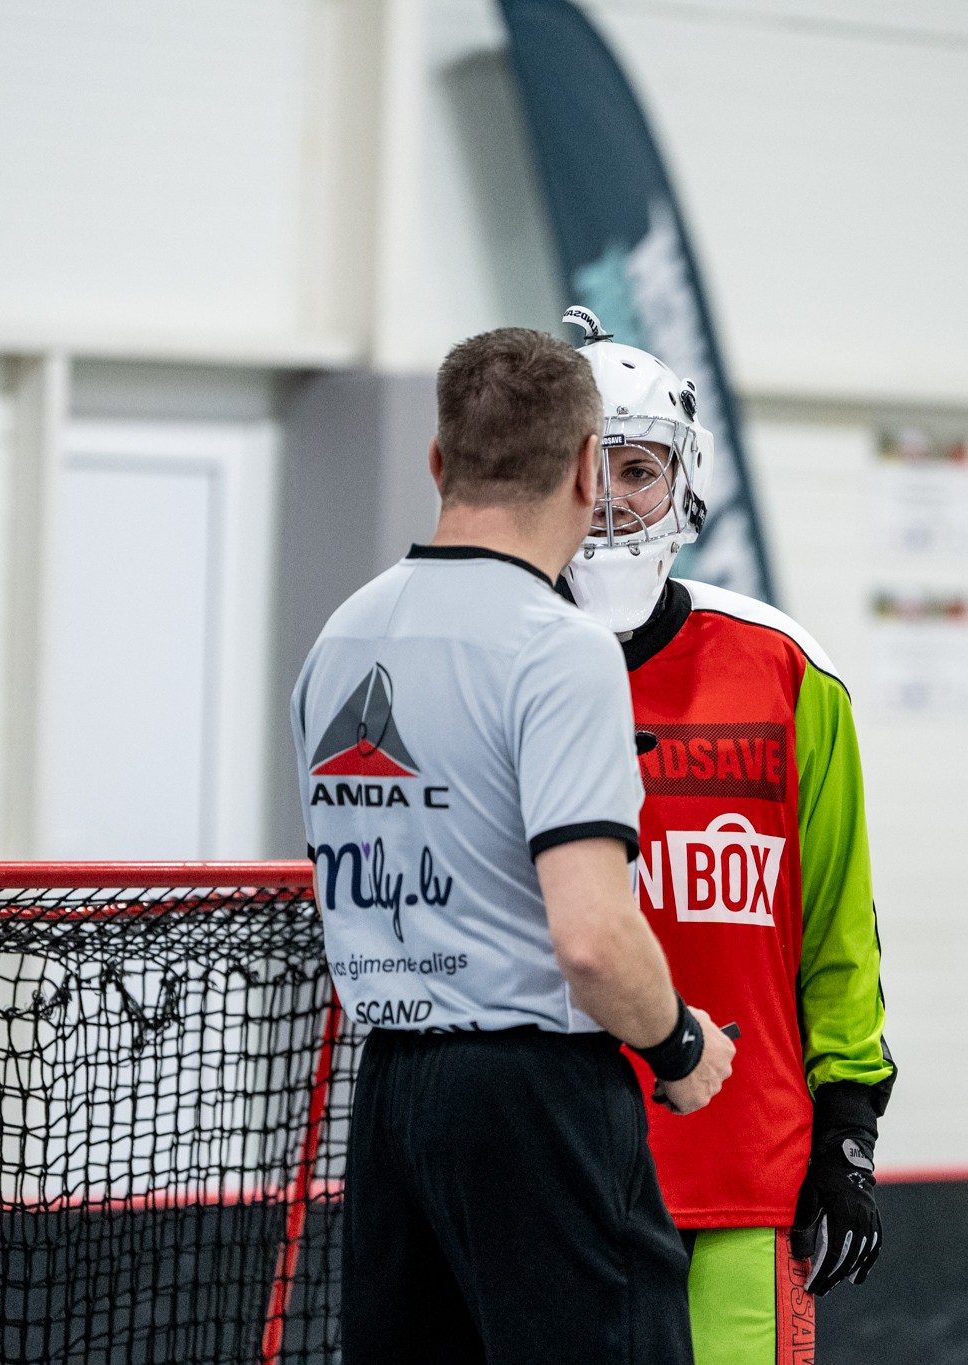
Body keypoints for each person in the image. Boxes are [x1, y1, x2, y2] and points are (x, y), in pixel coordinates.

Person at [291, 326, 736, 1365]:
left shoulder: (342, 636)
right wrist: (679, 1046)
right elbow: (592, 938)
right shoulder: (558, 649)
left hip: (389, 1096)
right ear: (586, 469)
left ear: (438, 460)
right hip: (534, 1100)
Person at [559, 307, 896, 1365]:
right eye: (584, 468)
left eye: (639, 469)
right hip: (551, 1177)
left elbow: (836, 925)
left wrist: (847, 1134)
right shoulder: (495, 658)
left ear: (686, 482)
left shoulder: (787, 669)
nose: (610, 498)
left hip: (746, 1175)